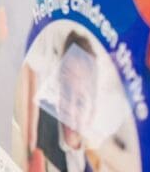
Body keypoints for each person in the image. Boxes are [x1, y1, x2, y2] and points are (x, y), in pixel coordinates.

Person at [28, 31, 101, 172]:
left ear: (92, 113)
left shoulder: (88, 168)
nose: (69, 110)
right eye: (66, 91)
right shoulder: (40, 118)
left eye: (80, 102)